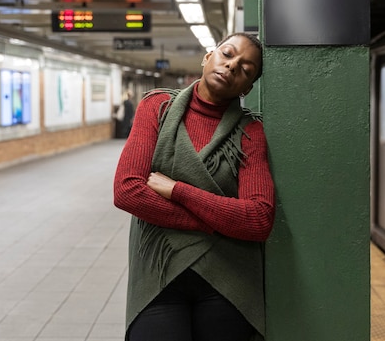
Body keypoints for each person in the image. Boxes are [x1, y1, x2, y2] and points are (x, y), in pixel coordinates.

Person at [113, 32, 275, 341]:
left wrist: (176, 190)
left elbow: (257, 219)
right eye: (227, 54)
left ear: (248, 87)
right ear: (207, 57)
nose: (231, 66)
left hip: (229, 277)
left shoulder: (250, 132)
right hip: (159, 272)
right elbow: (127, 190)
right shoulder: (156, 107)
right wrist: (219, 223)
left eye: (245, 69)